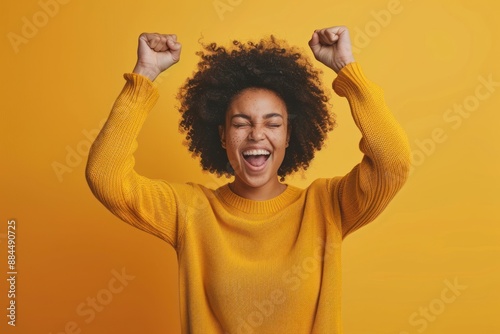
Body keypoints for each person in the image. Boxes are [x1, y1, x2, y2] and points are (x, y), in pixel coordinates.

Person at [86, 26, 411, 334]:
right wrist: (143, 78)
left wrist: (347, 70)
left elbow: (392, 162)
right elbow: (107, 176)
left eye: (272, 124)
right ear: (223, 136)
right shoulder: (191, 211)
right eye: (241, 123)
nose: (257, 135)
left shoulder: (326, 206)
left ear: (288, 137)